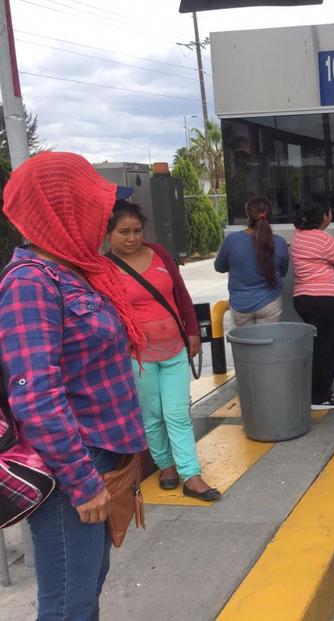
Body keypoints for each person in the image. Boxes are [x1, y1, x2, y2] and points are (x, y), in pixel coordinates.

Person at [0, 152, 148, 618]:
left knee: (86, 589)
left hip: (103, 455)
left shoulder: (76, 272)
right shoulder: (31, 282)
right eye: (96, 209)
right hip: (73, 469)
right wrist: (82, 483)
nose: (102, 219)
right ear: (62, 211)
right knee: (69, 603)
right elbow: (35, 395)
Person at [107, 201, 221, 502]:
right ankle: (166, 466)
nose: (132, 238)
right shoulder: (104, 268)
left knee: (178, 413)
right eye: (124, 232)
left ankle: (191, 475)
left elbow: (180, 292)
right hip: (136, 355)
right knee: (153, 415)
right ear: (108, 235)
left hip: (174, 348)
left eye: (137, 231)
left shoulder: (158, 253)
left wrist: (193, 331)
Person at [290, 197, 334, 410]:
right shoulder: (323, 239)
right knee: (325, 346)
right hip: (324, 300)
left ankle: (317, 391)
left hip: (303, 298)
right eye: (329, 212)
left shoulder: (298, 236)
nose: (331, 216)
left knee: (326, 343)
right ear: (323, 217)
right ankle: (319, 396)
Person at [214, 197, 290, 326]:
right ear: (271, 215)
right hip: (270, 303)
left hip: (240, 305)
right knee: (267, 344)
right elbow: (283, 272)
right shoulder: (279, 242)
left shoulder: (232, 241)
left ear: (247, 215)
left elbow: (219, 267)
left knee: (244, 345)